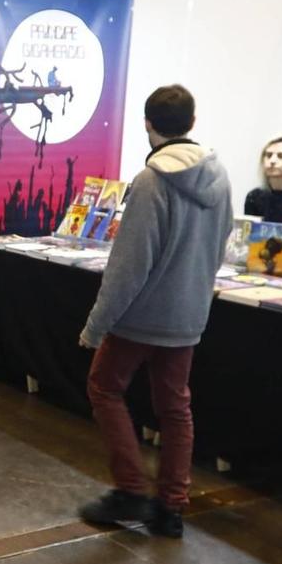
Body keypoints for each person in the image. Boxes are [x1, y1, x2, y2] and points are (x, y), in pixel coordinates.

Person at [76, 84, 232, 539]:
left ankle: (130, 490)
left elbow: (129, 266)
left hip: (141, 316)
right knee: (175, 408)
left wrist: (94, 327)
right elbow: (220, 246)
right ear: (192, 122)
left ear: (147, 124)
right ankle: (171, 507)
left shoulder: (150, 183)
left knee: (104, 387)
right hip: (187, 315)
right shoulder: (219, 177)